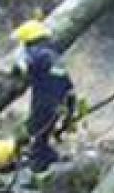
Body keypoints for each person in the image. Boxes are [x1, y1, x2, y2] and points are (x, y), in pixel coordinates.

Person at [11, 18, 76, 173]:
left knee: (36, 136)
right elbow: (69, 87)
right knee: (41, 135)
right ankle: (47, 160)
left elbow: (23, 68)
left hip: (43, 103)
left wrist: (16, 64)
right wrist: (70, 111)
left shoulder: (34, 53)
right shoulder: (54, 56)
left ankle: (39, 167)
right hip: (59, 103)